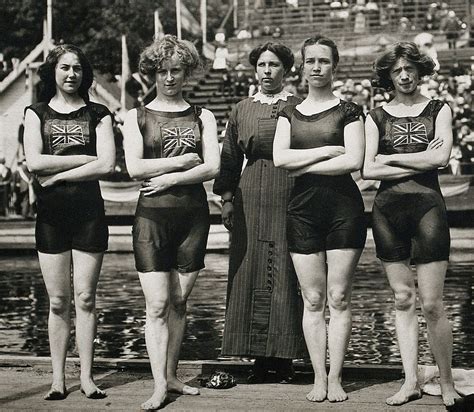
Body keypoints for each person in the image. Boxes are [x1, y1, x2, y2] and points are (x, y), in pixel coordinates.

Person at [122, 35, 220, 410]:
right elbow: (134, 167)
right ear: (152, 72)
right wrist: (180, 163)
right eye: (162, 71)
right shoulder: (137, 115)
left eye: (176, 70)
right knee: (157, 304)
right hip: (152, 218)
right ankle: (158, 384)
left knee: (179, 301)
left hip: (193, 217)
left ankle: (173, 376)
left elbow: (211, 166)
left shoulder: (203, 115)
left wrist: (170, 179)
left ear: (187, 72)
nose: (169, 78)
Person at [362, 42, 461, 407]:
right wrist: (423, 157)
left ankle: (447, 382)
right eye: (397, 71)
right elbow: (369, 169)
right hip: (387, 212)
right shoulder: (374, 116)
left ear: (420, 71)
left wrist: (391, 157)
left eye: (410, 69)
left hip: (428, 209)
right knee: (403, 299)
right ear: (388, 75)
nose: (404, 76)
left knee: (433, 303)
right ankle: (410, 381)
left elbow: (442, 157)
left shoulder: (439, 109)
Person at [273, 35, 366, 402]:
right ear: (302, 66)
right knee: (313, 299)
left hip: (344, 211)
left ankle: (337, 376)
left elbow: (354, 161)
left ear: (334, 65)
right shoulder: (289, 113)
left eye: (323, 61)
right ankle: (318, 378)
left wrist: (305, 159)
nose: (316, 67)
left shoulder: (350, 110)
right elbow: (281, 160)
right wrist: (328, 148)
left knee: (339, 297)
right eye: (310, 61)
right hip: (303, 212)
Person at [23, 44, 116, 400]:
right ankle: (58, 379)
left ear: (84, 73)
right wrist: (84, 159)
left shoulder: (99, 112)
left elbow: (107, 164)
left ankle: (88, 377)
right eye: (65, 68)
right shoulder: (37, 112)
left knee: (86, 298)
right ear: (54, 72)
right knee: (59, 301)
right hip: (51, 216)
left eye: (77, 68)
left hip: (89, 214)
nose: (71, 74)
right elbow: (34, 162)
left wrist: (58, 173)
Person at [213, 42, 306, 384]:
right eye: (262, 65)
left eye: (274, 65)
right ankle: (256, 358)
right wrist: (225, 200)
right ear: (255, 70)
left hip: (289, 192)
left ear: (286, 70)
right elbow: (228, 159)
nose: (267, 71)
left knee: (283, 270)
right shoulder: (241, 109)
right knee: (249, 270)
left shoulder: (298, 106)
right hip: (249, 194)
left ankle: (284, 359)